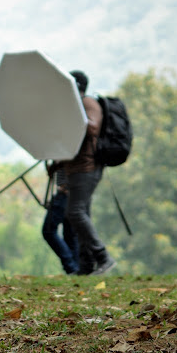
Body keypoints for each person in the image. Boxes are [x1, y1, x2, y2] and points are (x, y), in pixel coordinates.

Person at [61, 70, 116, 275]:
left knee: (74, 213)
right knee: (82, 214)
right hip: (75, 168)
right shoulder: (77, 106)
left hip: (87, 168)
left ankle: (103, 257)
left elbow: (92, 128)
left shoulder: (88, 103)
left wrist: (74, 114)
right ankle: (86, 266)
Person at [42, 163, 80, 274]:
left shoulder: (63, 150)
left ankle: (71, 267)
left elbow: (62, 163)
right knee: (70, 235)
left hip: (65, 193)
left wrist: (53, 166)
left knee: (48, 231)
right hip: (74, 194)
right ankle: (75, 270)